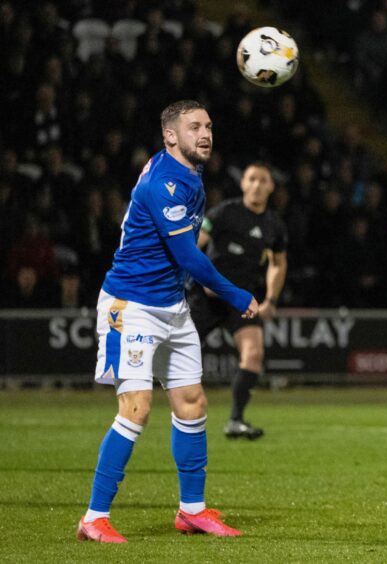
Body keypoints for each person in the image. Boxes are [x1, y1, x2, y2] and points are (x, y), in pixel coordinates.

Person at [77, 100, 259, 544]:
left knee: (193, 403)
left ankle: (192, 511)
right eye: (194, 126)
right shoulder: (165, 184)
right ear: (170, 136)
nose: (206, 133)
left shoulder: (188, 175)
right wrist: (236, 294)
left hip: (172, 305)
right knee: (136, 409)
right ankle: (93, 518)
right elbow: (187, 255)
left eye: (210, 126)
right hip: (132, 305)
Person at [188, 162, 288, 439]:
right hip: (206, 295)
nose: (257, 184)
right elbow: (193, 245)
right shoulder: (223, 213)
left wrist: (271, 299)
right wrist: (195, 276)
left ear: (270, 187)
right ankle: (140, 403)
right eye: (252, 179)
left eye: (262, 180)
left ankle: (236, 420)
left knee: (254, 353)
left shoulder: (274, 225)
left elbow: (278, 264)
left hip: (241, 298)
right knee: (178, 354)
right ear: (243, 183)